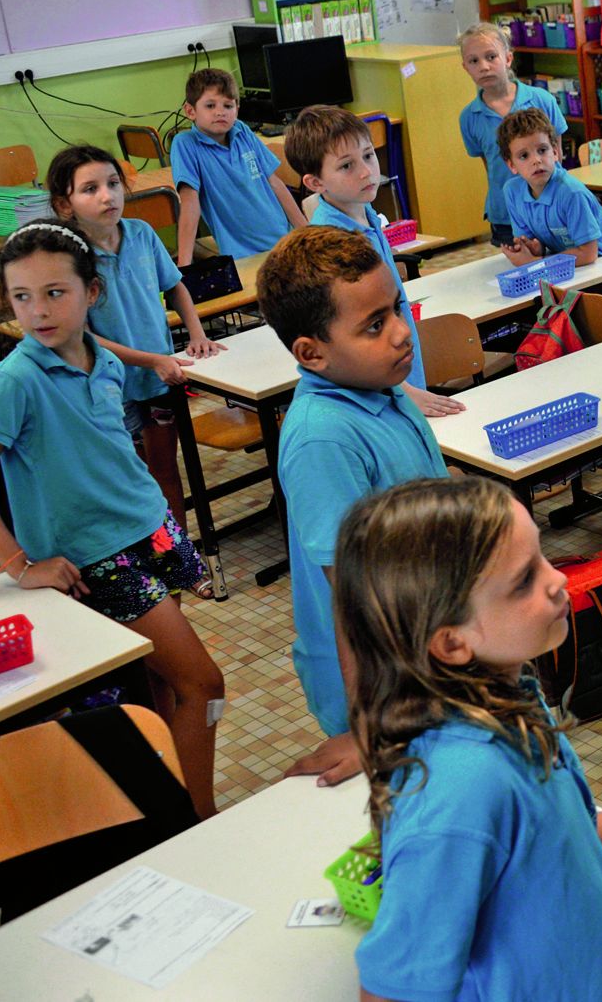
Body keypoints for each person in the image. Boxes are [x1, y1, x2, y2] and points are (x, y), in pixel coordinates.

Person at [342, 477, 602, 1002]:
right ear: (452, 641)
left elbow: (553, 842)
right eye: (523, 580)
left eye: (543, 558)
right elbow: (394, 987)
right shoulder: (459, 788)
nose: (557, 582)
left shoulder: (514, 702)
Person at [0, 221, 226, 818]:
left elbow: (114, 354)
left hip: (150, 528)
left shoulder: (97, 352)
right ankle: (196, 820)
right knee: (204, 684)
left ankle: (159, 804)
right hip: (101, 559)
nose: (38, 310)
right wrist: (20, 566)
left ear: (90, 294)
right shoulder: (16, 381)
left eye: (56, 292)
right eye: (22, 297)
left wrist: (155, 357)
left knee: (153, 689)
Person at [259, 226, 449, 786]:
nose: (400, 333)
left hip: (430, 643)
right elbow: (351, 592)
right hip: (382, 680)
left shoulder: (381, 389)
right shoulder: (324, 437)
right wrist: (371, 726)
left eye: (395, 309)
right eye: (374, 325)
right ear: (311, 352)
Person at [47, 144, 227, 598]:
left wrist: (196, 333)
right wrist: (152, 360)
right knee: (132, 483)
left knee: (166, 471)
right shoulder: (70, 260)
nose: (107, 196)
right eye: (90, 189)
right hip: (109, 392)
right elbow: (84, 338)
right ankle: (147, 571)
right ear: (65, 205)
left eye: (112, 184)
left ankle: (182, 566)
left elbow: (177, 288)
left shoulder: (143, 234)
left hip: (158, 381)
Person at [286, 104, 464, 416]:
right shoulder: (334, 243)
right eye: (346, 166)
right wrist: (404, 391)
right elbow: (353, 337)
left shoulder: (367, 216)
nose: (367, 171)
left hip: (398, 382)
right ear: (315, 183)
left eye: (368, 155)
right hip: (377, 395)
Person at [498, 107, 602, 292]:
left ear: (555, 152)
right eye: (524, 156)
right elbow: (532, 241)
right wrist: (532, 248)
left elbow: (588, 253)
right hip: (577, 275)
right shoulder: (512, 192)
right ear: (511, 165)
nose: (536, 160)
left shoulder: (570, 193)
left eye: (542, 150)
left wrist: (536, 263)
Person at [169, 67, 304, 266]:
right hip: (244, 255)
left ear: (237, 109)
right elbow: (190, 204)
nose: (220, 112)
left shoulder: (242, 131)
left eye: (228, 105)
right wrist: (185, 266)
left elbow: (275, 183)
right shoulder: (185, 144)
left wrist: (306, 231)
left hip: (284, 240)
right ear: (190, 111)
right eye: (210, 105)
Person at [458, 21, 568, 246]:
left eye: (491, 57)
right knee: (518, 272)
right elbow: (490, 164)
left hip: (550, 204)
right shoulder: (469, 117)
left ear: (508, 58)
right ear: (465, 68)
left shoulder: (541, 100)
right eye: (474, 61)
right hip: (505, 213)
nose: (484, 66)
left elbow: (557, 155)